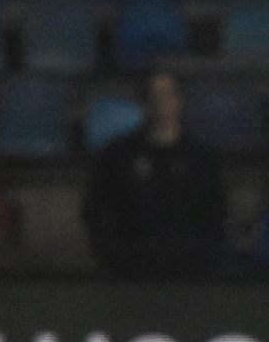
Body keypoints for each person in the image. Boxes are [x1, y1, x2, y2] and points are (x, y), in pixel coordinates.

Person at [82, 70, 228, 278]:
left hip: (191, 275)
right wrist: (110, 257)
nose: (163, 102)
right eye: (155, 95)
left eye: (169, 94)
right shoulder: (116, 156)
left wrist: (205, 258)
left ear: (180, 100)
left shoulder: (201, 157)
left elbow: (217, 212)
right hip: (130, 274)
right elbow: (96, 210)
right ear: (144, 102)